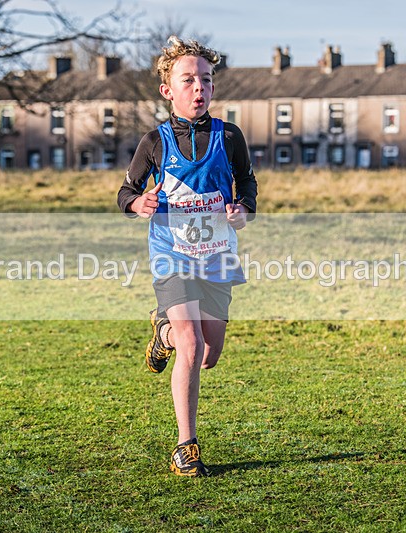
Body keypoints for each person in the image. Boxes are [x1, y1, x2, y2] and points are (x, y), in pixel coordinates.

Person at [117, 36, 258, 477]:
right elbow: (126, 191)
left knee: (208, 353)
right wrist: (138, 204)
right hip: (172, 254)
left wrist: (243, 210)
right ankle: (186, 445)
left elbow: (248, 184)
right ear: (168, 90)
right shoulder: (153, 141)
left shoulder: (229, 136)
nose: (199, 88)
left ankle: (163, 335)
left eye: (206, 80)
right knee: (192, 345)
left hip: (215, 255)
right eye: (189, 80)